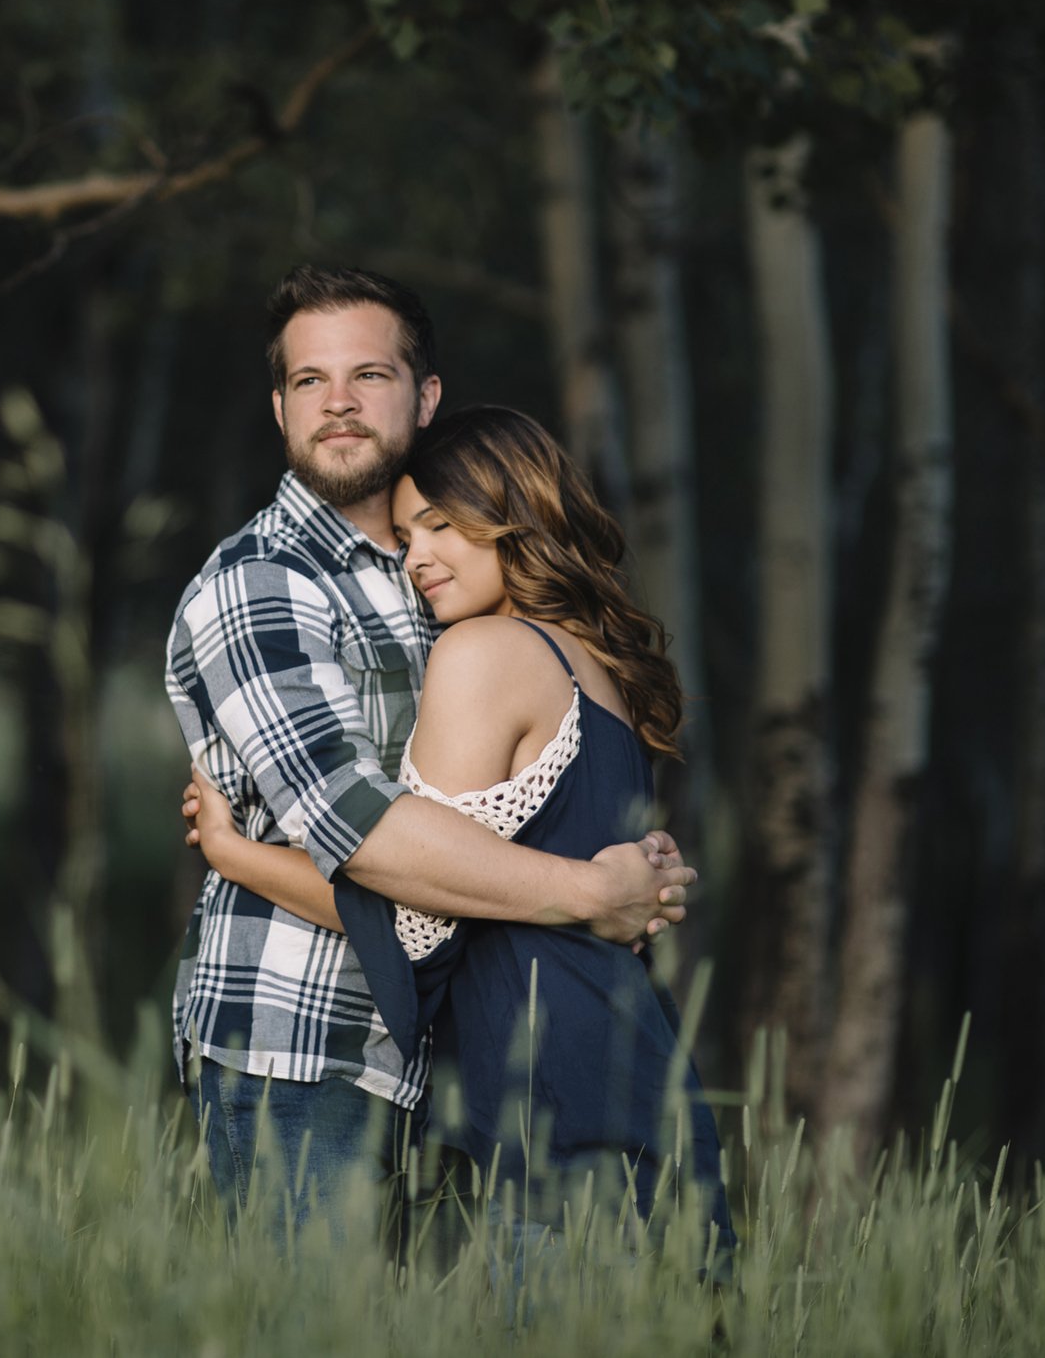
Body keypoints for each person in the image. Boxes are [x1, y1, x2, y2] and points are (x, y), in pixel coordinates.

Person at [166, 266, 697, 1232]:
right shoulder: (260, 584)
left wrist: (615, 870)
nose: (338, 403)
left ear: (425, 394)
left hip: (459, 1062)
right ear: (279, 408)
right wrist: (591, 890)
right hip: (311, 1050)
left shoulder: (453, 589)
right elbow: (364, 835)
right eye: (309, 381)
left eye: (368, 374)